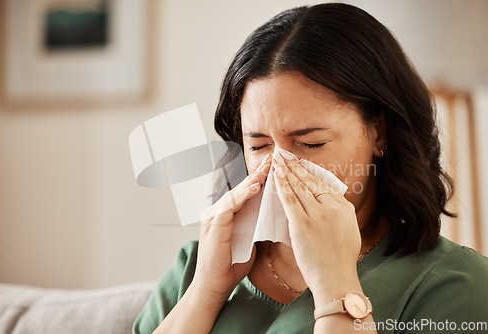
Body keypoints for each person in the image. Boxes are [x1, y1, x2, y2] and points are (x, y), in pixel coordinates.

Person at [133, 3, 488, 333]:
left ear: (379, 132)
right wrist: (206, 292)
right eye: (259, 145)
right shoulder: (197, 265)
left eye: (311, 143)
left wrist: (336, 285)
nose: (279, 168)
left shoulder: (455, 283)